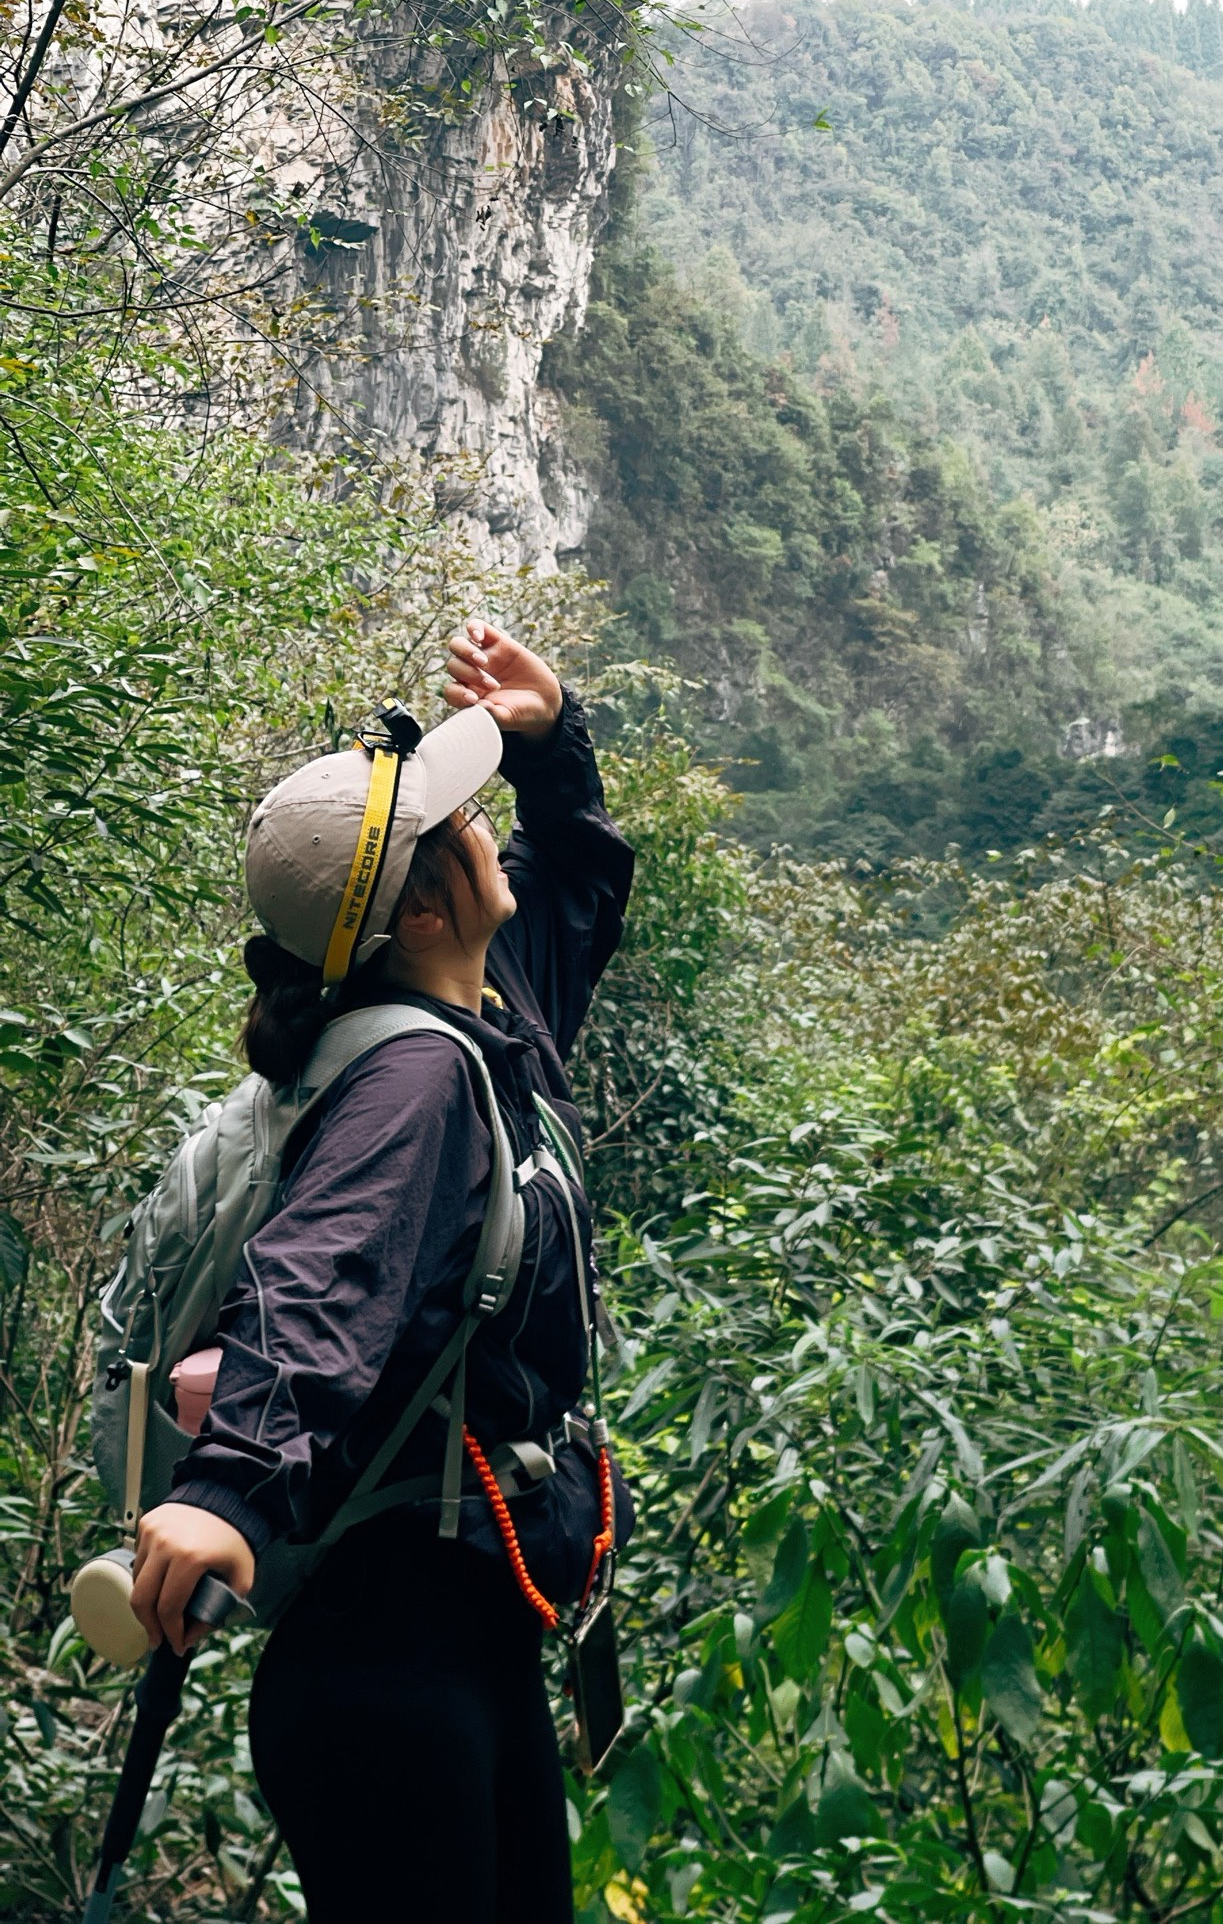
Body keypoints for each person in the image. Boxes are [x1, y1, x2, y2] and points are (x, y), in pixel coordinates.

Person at [126, 619, 634, 1924]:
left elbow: (570, 882)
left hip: (466, 1651)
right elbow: (320, 1273)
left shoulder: (481, 1007)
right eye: (466, 823)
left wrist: (550, 741)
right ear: (418, 907)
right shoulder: (412, 1076)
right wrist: (230, 1484)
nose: (489, 832)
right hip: (388, 1681)